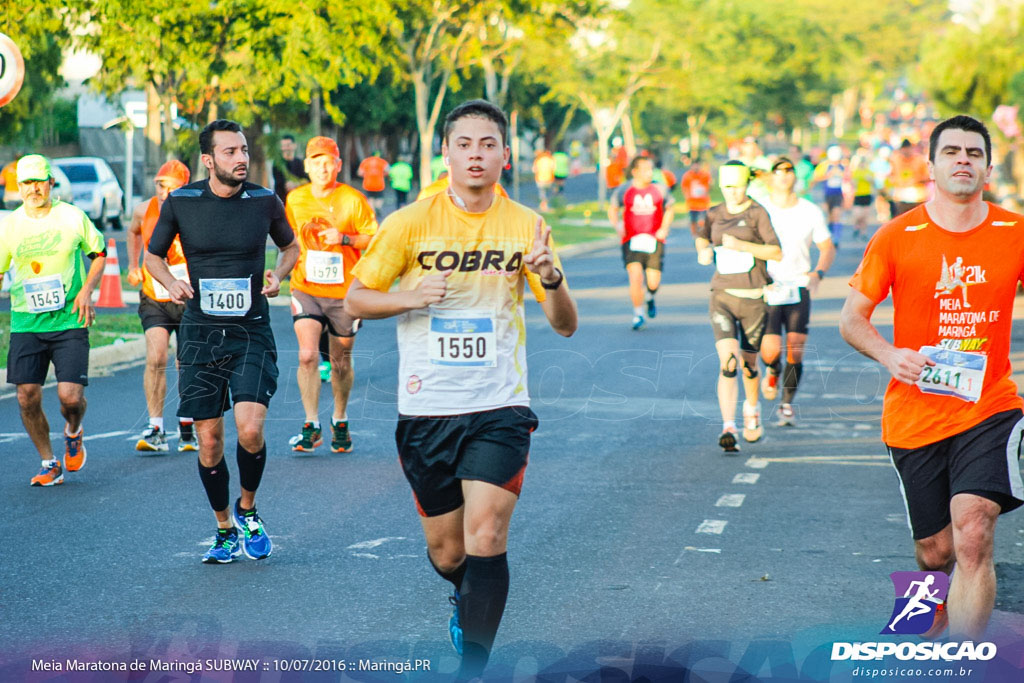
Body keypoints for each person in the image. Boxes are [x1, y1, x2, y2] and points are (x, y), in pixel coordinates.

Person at [344, 99, 578, 679]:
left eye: (488, 144)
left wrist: (551, 277)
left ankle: (475, 666)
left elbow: (565, 323)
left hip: (499, 403)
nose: (476, 154)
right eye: (465, 144)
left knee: (487, 532)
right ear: (446, 152)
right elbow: (355, 301)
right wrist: (410, 297)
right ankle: (464, 597)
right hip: (427, 408)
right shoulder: (410, 223)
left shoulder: (527, 225)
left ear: (504, 154)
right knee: (450, 553)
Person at [840, 115, 1024, 640]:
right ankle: (923, 619)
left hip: (989, 406)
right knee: (935, 550)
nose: (963, 160)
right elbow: (852, 318)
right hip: (915, 414)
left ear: (989, 169)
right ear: (933, 167)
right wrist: (890, 355)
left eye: (974, 153)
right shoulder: (898, 236)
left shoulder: (1015, 232)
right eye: (952, 152)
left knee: (973, 532)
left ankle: (965, 660)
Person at [145, 119, 299, 564]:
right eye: (231, 152)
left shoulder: (265, 201)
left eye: (245, 150)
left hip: (251, 329)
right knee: (209, 442)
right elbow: (153, 256)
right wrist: (170, 284)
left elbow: (290, 248)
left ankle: (248, 510)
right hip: (200, 334)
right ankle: (224, 529)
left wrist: (279, 273)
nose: (242, 159)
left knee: (250, 429)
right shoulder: (182, 201)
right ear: (209, 160)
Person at [0, 155, 106, 485]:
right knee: (26, 396)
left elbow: (99, 254)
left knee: (70, 398)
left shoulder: (72, 217)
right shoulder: (10, 225)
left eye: (39, 181)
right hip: (27, 322)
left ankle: (73, 430)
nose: (34, 188)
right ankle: (49, 462)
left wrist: (87, 290)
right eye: (27, 183)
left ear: (51, 183)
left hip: (70, 320)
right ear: (19, 187)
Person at [285, 136, 377, 453]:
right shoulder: (295, 200)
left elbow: (373, 239)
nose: (323, 168)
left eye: (329, 162)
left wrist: (346, 238)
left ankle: (340, 418)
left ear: (338, 165)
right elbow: (289, 242)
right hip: (306, 287)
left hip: (344, 293)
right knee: (308, 355)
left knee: (340, 362)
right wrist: (278, 273)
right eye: (316, 162)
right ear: (307, 166)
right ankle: (311, 424)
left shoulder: (353, 200)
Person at [695, 161, 781, 451]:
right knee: (728, 362)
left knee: (748, 365)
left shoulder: (757, 213)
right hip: (722, 295)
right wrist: (704, 250)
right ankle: (728, 425)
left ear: (747, 185)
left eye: (739, 186)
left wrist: (743, 246)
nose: (733, 192)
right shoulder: (714, 213)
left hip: (753, 298)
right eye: (728, 187)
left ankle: (752, 411)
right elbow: (702, 237)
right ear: (721, 186)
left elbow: (776, 251)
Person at [127, 160, 197, 452]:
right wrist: (133, 265)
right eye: (160, 184)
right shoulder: (144, 210)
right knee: (156, 356)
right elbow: (133, 232)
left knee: (186, 361)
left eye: (171, 186)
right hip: (154, 294)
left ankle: (188, 422)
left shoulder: (196, 211)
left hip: (188, 295)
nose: (164, 191)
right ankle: (155, 426)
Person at [759, 157, 835, 426]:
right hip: (768, 286)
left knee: (796, 350)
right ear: (770, 177)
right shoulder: (760, 208)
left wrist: (818, 273)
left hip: (798, 285)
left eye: (788, 171)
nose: (783, 176)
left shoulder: (809, 210)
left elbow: (827, 246)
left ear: (795, 177)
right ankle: (771, 369)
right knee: (770, 350)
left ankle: (786, 404)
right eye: (778, 171)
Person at [608, 155, 675, 330]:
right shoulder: (625, 189)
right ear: (635, 171)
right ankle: (638, 314)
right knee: (635, 277)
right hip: (631, 240)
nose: (649, 173)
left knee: (653, 282)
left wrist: (664, 227)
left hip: (654, 239)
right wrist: (617, 225)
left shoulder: (659, 189)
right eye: (645, 169)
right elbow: (613, 209)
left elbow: (670, 209)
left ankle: (650, 297)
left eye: (651, 169)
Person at [813, 145, 848, 247]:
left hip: (839, 194)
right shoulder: (824, 165)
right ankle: (831, 234)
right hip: (827, 194)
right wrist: (828, 175)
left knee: (836, 214)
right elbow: (816, 178)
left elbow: (849, 178)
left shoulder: (843, 166)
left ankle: (836, 238)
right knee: (830, 216)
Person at [889, 138, 929, 217]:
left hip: (917, 195)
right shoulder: (896, 161)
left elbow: (927, 176)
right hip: (901, 195)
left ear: (911, 149)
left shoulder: (919, 160)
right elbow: (892, 175)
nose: (906, 151)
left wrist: (916, 180)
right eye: (904, 149)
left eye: (908, 149)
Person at [680, 158, 711, 237]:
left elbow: (709, 186)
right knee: (693, 220)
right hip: (692, 203)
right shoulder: (687, 176)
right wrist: (687, 196)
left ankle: (702, 234)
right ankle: (694, 235)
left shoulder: (705, 175)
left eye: (697, 166)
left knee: (703, 220)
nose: (696, 168)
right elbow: (684, 187)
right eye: (694, 166)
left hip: (702, 203)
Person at [272, 134, 307, 203]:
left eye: (288, 145)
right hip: (283, 201)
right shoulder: (277, 164)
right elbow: (280, 185)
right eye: (283, 146)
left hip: (300, 200)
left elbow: (308, 180)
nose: (286, 148)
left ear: (294, 145)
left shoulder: (300, 163)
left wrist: (296, 184)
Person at [850, 152, 876, 240]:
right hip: (858, 194)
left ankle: (863, 232)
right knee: (858, 214)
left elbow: (873, 183)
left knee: (865, 216)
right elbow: (852, 183)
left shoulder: (869, 172)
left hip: (867, 194)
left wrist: (870, 179)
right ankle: (857, 226)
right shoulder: (856, 172)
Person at [357, 150, 389, 215]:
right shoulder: (382, 162)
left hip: (368, 184)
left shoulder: (365, 161)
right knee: (379, 197)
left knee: (370, 198)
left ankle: (372, 210)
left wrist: (366, 175)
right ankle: (378, 206)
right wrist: (383, 174)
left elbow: (360, 173)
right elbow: (388, 171)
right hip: (379, 183)